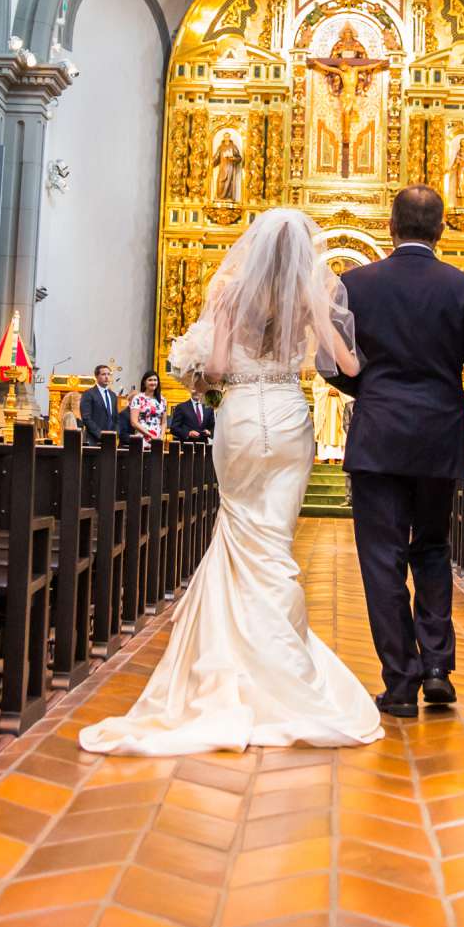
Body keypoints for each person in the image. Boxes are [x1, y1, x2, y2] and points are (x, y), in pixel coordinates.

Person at [79, 207, 375, 755]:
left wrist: (202, 362)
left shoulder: (229, 291)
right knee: (276, 543)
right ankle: (282, 658)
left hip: (239, 418)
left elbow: (213, 368)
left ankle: (233, 657)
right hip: (289, 416)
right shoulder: (312, 294)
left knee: (239, 530)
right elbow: (348, 368)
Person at [329, 185, 464, 718]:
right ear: (442, 228)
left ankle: (401, 683)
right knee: (431, 548)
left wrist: (377, 394)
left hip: (378, 438)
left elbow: (330, 362)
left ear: (390, 227)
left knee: (381, 561)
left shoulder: (355, 283)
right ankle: (437, 668)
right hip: (439, 438)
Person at [78, 364, 127, 444]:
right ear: (96, 376)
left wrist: (115, 434)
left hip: (110, 441)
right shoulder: (89, 394)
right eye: (103, 374)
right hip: (94, 440)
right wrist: (101, 435)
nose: (107, 377)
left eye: (108, 374)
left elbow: (116, 418)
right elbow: (86, 418)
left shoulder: (113, 395)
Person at [129, 369, 167, 441]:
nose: (153, 382)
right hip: (142, 437)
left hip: (157, 438)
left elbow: (164, 422)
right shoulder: (138, 398)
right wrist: (150, 435)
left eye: (155, 380)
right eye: (150, 380)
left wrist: (161, 436)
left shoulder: (162, 400)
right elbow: (134, 422)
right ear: (144, 382)